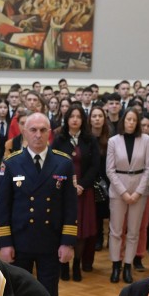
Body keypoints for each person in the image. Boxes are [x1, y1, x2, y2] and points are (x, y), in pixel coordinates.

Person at [0, 112, 76, 296]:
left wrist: (67, 241)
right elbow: (2, 205)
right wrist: (5, 242)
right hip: (19, 243)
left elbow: (70, 206)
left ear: (49, 132)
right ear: (24, 132)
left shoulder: (63, 163)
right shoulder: (12, 163)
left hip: (50, 243)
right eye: (33, 130)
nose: (38, 135)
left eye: (43, 130)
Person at [51, 106, 99, 282]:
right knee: (64, 226)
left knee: (81, 231)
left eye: (79, 116)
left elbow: (95, 166)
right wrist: (68, 185)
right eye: (72, 116)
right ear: (67, 119)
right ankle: (63, 265)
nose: (75, 120)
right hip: (62, 190)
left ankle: (77, 265)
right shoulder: (59, 139)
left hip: (83, 191)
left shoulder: (90, 139)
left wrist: (82, 185)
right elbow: (52, 164)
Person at [106, 107, 149, 283]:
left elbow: (148, 168)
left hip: (139, 191)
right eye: (128, 119)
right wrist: (124, 193)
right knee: (116, 231)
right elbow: (110, 170)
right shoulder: (113, 141)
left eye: (134, 120)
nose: (131, 123)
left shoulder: (145, 139)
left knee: (133, 231)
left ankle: (127, 265)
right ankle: (115, 265)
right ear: (123, 121)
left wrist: (139, 191)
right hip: (119, 190)